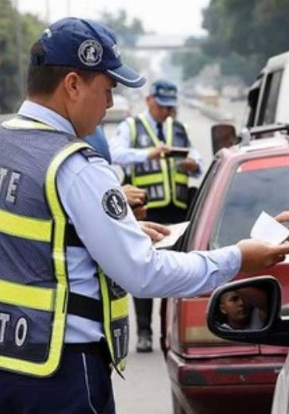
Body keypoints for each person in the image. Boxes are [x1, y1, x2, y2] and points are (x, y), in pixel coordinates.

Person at [0, 17, 289, 413]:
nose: (109, 104)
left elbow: (20, 238)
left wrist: (109, 229)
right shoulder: (76, 166)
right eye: (107, 89)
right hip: (58, 376)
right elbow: (143, 273)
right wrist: (238, 259)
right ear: (72, 85)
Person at [110, 79, 203, 352]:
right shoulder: (131, 127)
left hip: (178, 211)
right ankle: (144, 332)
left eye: (170, 107)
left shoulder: (179, 129)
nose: (166, 111)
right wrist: (148, 154)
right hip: (145, 212)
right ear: (149, 100)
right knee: (144, 271)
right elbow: (115, 154)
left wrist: (192, 165)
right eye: (162, 106)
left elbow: (197, 159)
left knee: (177, 273)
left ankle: (170, 330)